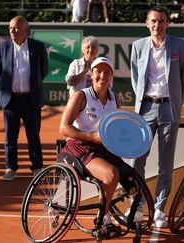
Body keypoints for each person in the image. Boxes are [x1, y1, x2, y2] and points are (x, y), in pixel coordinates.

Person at [130, 6, 184, 228]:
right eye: (154, 21)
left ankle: (159, 209)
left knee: (165, 162)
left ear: (167, 23)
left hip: (169, 108)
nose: (157, 25)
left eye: (162, 21)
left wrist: (174, 100)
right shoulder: (137, 47)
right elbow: (135, 77)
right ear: (147, 23)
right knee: (137, 159)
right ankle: (136, 205)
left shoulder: (179, 45)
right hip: (145, 108)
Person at [59, 57, 132, 235]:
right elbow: (64, 128)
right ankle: (103, 217)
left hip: (103, 149)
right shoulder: (81, 96)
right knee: (111, 174)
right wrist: (91, 137)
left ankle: (132, 215)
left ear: (111, 76)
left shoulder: (115, 98)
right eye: (98, 71)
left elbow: (117, 128)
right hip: (78, 147)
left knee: (133, 181)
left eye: (107, 72)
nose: (102, 76)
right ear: (91, 74)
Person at [0, 16, 48, 181]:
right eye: (10, 27)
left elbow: (43, 70)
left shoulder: (38, 47)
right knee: (10, 138)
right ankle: (11, 168)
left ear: (26, 30)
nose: (12, 30)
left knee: (33, 136)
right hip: (11, 100)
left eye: (16, 27)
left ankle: (37, 167)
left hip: (31, 100)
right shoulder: (2, 47)